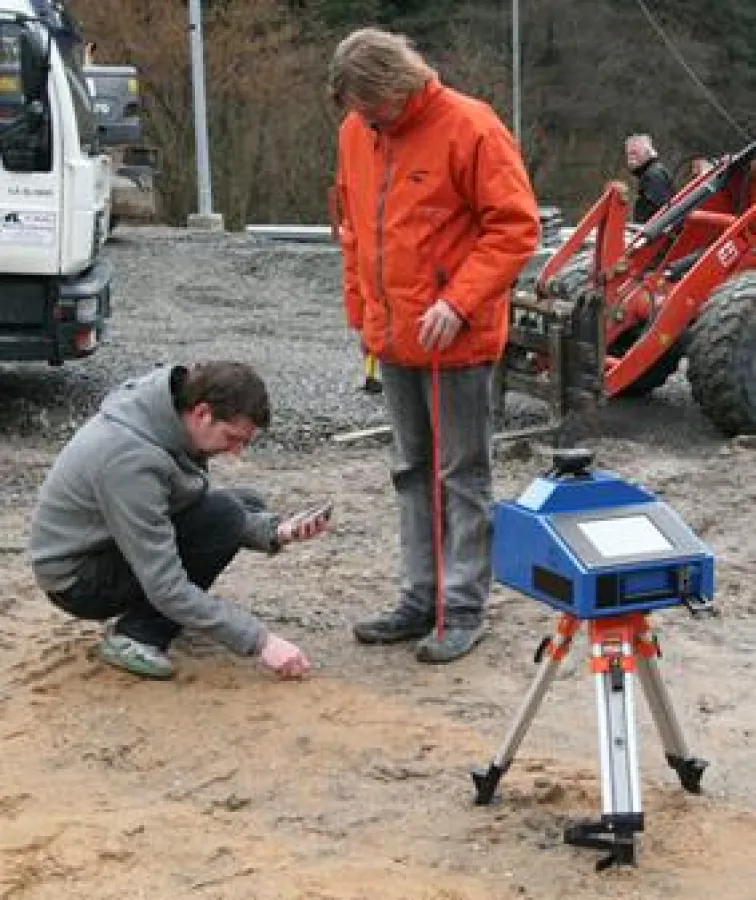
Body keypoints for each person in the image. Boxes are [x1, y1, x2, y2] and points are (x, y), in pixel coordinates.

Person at [328, 28, 540, 663]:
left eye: (372, 108)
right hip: (394, 340)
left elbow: (515, 227)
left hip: (458, 340)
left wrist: (459, 301)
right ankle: (420, 599)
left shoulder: (471, 126)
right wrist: (362, 311)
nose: (365, 121)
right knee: (410, 471)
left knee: (461, 475)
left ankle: (464, 607)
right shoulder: (356, 133)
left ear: (398, 86)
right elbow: (352, 230)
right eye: (357, 112)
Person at [28, 361, 332, 680]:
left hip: (105, 546)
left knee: (244, 504)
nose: (236, 452)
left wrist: (276, 532)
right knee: (224, 517)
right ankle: (138, 636)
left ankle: (156, 620)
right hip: (77, 579)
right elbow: (164, 583)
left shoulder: (165, 416)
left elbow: (193, 501)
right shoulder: (131, 460)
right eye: (232, 438)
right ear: (202, 413)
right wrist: (261, 641)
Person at [625, 134, 675, 223]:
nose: (631, 158)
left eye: (634, 153)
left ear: (647, 152)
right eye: (628, 154)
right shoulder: (651, 172)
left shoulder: (654, 175)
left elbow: (658, 213)